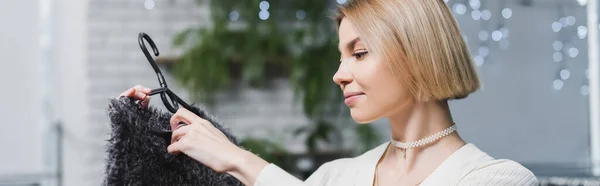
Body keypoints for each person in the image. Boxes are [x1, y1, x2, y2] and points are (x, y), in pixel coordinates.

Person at [119, 0, 538, 185]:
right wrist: (155, 148)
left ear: (416, 53)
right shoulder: (336, 177)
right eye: (341, 57)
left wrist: (239, 159)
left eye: (360, 54)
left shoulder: (498, 179)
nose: (339, 74)